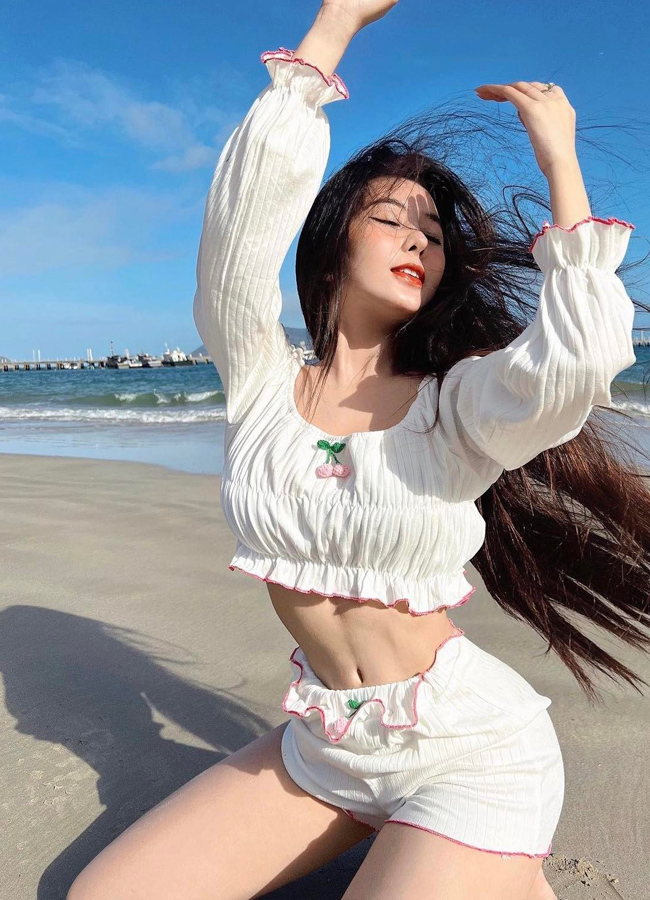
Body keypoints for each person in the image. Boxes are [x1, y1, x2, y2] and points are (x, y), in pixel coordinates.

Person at [67, 1, 649, 898]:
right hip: (327, 746)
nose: (419, 238)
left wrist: (559, 162)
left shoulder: (459, 404)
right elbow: (237, 235)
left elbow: (574, 362)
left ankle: (486, 862)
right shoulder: (259, 379)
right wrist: (334, 24)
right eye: (391, 219)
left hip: (466, 753)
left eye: (435, 235)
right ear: (333, 240)